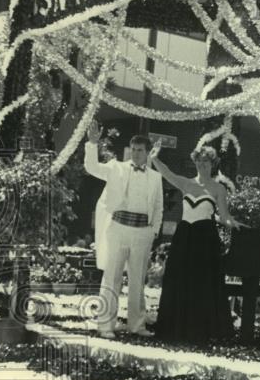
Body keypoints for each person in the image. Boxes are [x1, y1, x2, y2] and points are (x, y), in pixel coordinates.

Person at [149, 142, 243, 344]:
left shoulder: (218, 188)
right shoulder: (186, 183)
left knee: (202, 283)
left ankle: (201, 329)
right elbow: (167, 174)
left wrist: (232, 222)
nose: (202, 165)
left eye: (206, 162)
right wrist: (155, 158)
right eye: (199, 161)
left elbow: (224, 216)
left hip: (205, 239)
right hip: (184, 236)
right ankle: (176, 328)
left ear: (213, 164)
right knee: (179, 280)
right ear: (195, 163)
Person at [84, 122, 163, 338]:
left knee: (138, 280)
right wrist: (92, 143)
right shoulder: (115, 167)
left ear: (148, 153)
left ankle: (137, 325)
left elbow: (158, 206)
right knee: (112, 278)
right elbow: (92, 168)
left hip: (142, 232)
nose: (136, 154)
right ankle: (106, 326)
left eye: (141, 151)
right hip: (118, 228)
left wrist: (153, 231)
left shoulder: (156, 178)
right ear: (130, 150)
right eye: (134, 150)